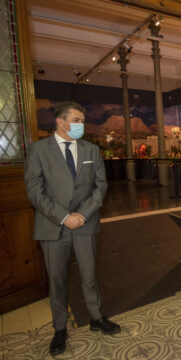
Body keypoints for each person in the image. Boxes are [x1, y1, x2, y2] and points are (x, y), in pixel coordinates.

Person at [24, 102, 120, 356]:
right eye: (77, 120)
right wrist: (64, 216)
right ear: (61, 122)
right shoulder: (38, 150)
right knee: (57, 280)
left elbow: (100, 187)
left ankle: (97, 318)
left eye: (83, 121)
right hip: (53, 226)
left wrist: (82, 214)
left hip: (85, 224)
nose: (82, 125)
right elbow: (35, 191)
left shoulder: (91, 150)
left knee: (89, 275)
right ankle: (59, 329)